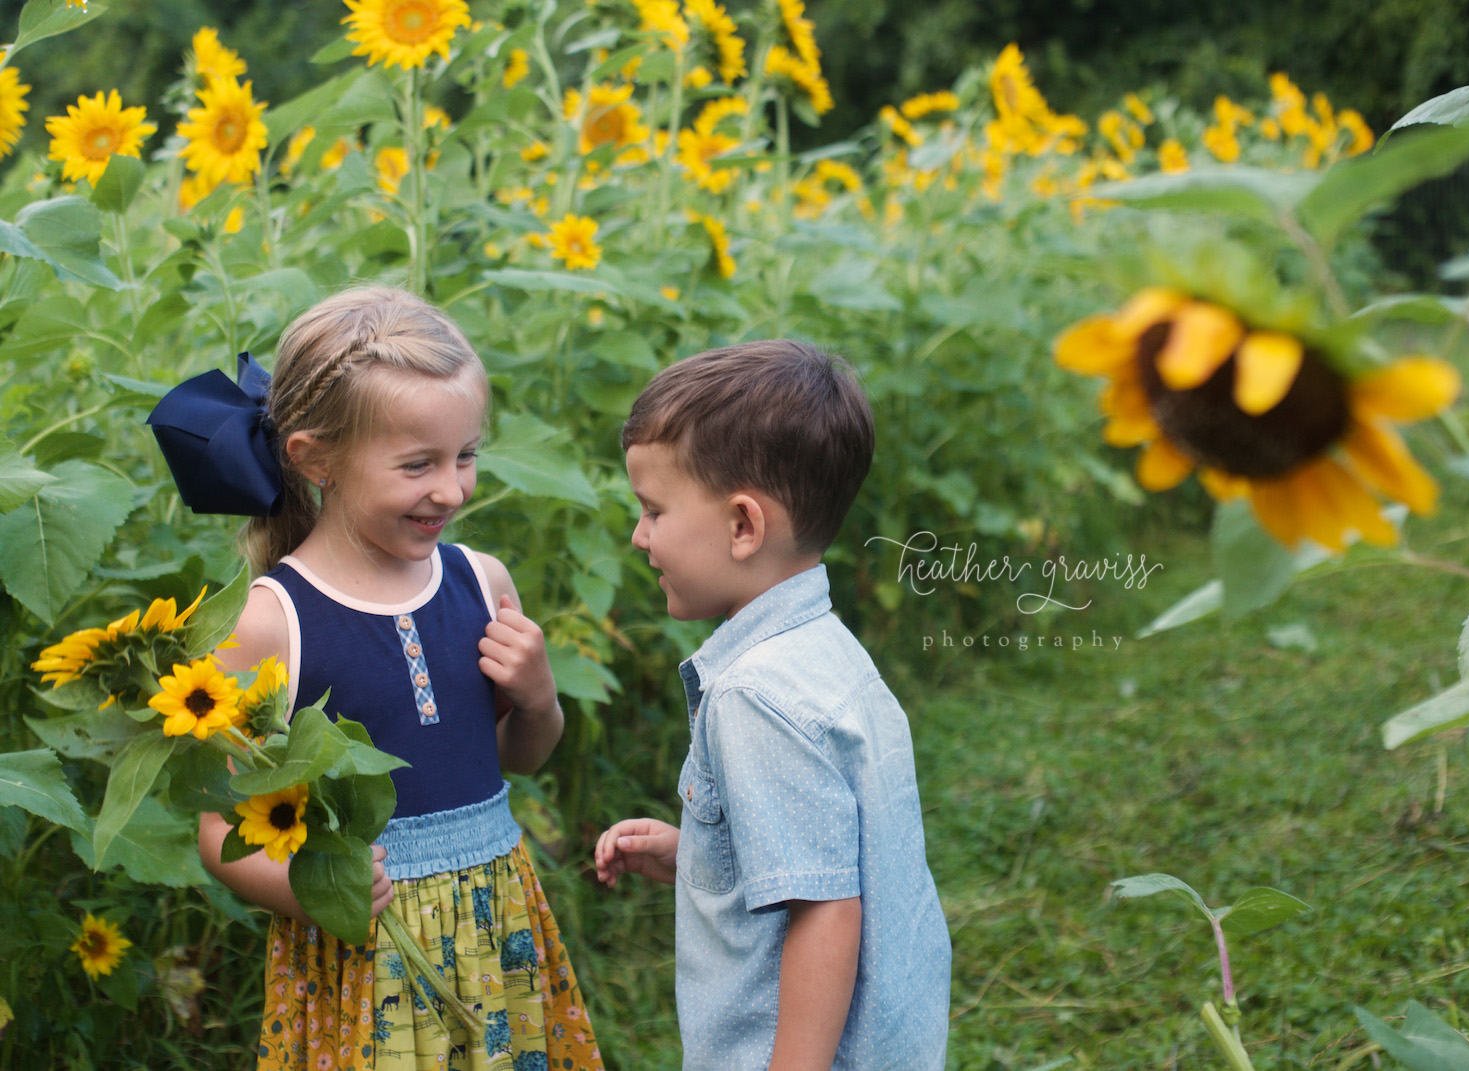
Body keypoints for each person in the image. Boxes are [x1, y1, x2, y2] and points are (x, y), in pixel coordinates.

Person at [170, 287, 602, 1071]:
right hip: (366, 947)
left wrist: (539, 697)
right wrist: (305, 891)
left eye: (466, 454)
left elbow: (518, 756)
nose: (452, 488)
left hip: (493, 922)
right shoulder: (272, 622)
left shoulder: (481, 580)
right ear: (314, 458)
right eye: (418, 464)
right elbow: (217, 832)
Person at [593, 340, 951, 1071]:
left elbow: (824, 910)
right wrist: (697, 851)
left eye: (653, 510)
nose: (639, 536)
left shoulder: (755, 697)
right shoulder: (826, 649)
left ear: (743, 526)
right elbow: (827, 841)